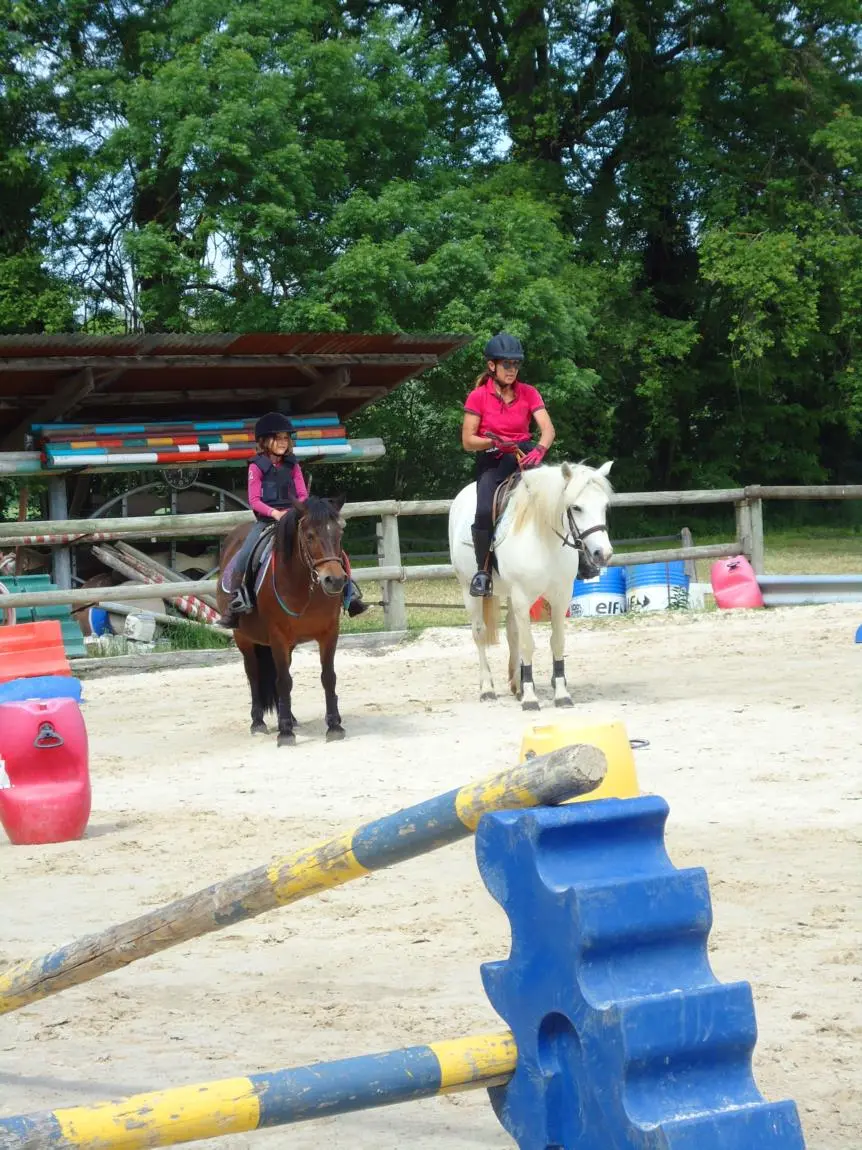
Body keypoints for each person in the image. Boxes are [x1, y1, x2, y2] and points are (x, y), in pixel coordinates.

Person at [217, 412, 367, 626]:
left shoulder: (293, 465)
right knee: (245, 554)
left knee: (334, 551)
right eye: (278, 438)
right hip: (267, 520)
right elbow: (255, 500)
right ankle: (236, 604)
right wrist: (275, 513)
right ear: (264, 441)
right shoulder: (256, 466)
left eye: (286, 438)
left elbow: (302, 494)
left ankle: (349, 595)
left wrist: (301, 511)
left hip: (296, 518)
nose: (283, 442)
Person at [461, 333, 555, 597]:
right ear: (492, 366)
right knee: (482, 510)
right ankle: (483, 571)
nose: (512, 370)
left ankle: (578, 559)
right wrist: (494, 443)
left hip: (525, 454)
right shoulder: (478, 396)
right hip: (492, 456)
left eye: (516, 364)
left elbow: (547, 429)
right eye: (507, 364)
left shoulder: (529, 392)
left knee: (559, 495)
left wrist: (540, 449)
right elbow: (468, 440)